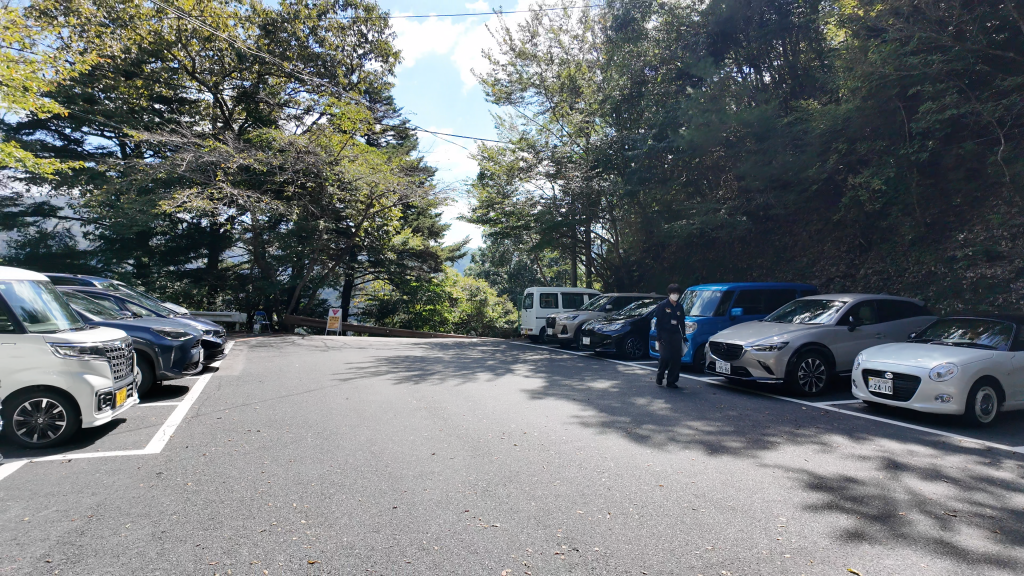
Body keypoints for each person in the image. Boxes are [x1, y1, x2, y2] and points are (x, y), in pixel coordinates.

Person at [654, 283, 685, 388]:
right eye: (673, 293)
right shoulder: (663, 305)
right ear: (669, 293)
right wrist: (658, 337)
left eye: (677, 293)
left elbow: (682, 322)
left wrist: (684, 335)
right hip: (665, 333)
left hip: (676, 334)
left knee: (676, 359)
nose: (675, 295)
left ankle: (672, 381)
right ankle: (660, 375)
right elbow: (658, 322)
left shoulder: (680, 306)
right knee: (665, 357)